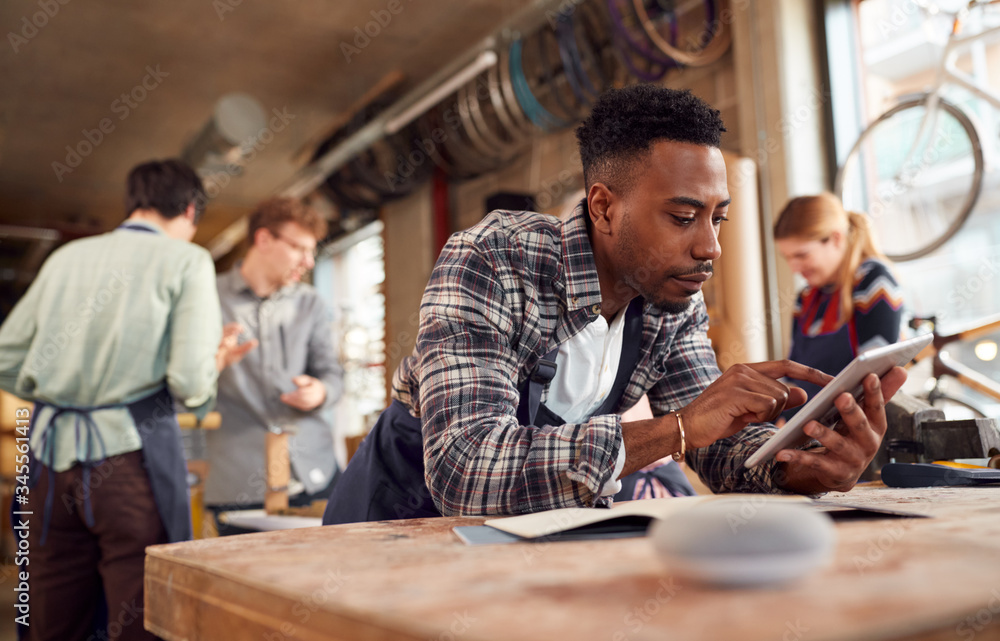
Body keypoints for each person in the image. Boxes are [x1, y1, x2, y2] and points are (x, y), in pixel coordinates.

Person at [323, 84, 908, 526]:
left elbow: (721, 452)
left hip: (516, 537)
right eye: (683, 218)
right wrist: (677, 430)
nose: (710, 247)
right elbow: (467, 470)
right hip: (396, 522)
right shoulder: (493, 260)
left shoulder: (672, 298)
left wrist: (798, 463)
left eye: (717, 218)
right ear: (603, 207)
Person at [0, 159, 253, 641]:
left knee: (52, 617)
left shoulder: (66, 259)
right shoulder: (187, 260)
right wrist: (214, 362)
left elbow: (6, 357)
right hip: (128, 467)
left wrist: (54, 392)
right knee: (141, 618)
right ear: (190, 210)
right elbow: (188, 381)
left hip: (49, 466)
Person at [205, 197, 343, 532]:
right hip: (239, 481)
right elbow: (181, 385)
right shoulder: (208, 297)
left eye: (312, 251)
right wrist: (213, 363)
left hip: (314, 472)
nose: (308, 262)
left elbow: (333, 374)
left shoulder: (310, 303)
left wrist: (321, 391)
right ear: (264, 239)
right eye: (299, 249)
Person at [774, 193, 904, 418]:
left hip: (853, 423)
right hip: (808, 425)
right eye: (787, 257)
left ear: (836, 239)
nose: (794, 268)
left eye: (802, 255)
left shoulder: (873, 282)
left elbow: (873, 379)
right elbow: (792, 375)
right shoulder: (805, 298)